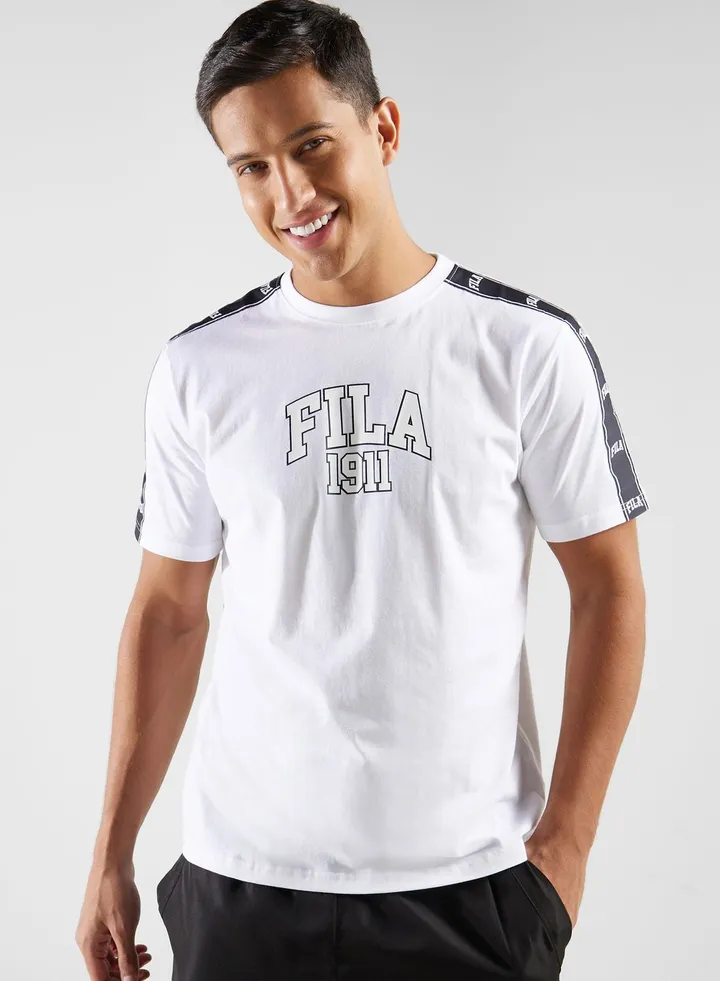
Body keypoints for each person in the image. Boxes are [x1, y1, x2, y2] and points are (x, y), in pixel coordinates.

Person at [75, 2, 650, 979]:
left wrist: (567, 851)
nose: (290, 193)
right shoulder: (201, 368)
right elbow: (167, 611)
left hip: (472, 889)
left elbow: (609, 588)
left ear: (382, 128)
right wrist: (109, 851)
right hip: (241, 885)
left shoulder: (526, 348)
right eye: (252, 168)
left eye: (312, 145)